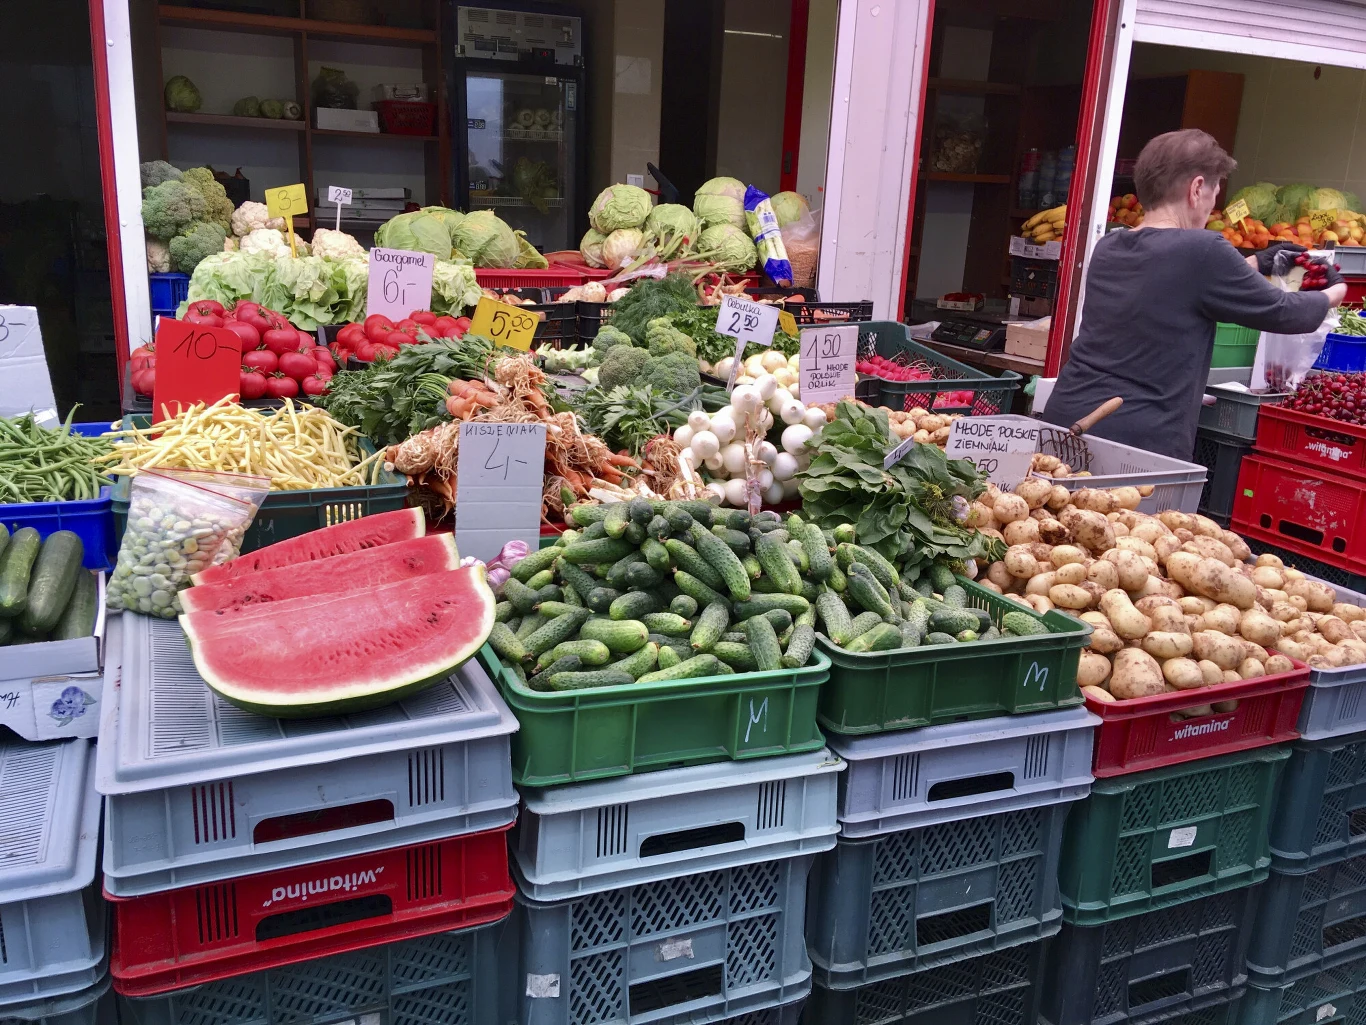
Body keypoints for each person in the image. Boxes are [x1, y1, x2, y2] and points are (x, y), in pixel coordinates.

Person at [1042, 129, 1346, 459]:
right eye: (1214, 195)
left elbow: (1173, 286)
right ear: (1197, 188)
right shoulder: (1201, 249)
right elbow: (1284, 311)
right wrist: (1336, 291)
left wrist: (1255, 262)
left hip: (1067, 423)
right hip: (1137, 442)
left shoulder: (1110, 246)